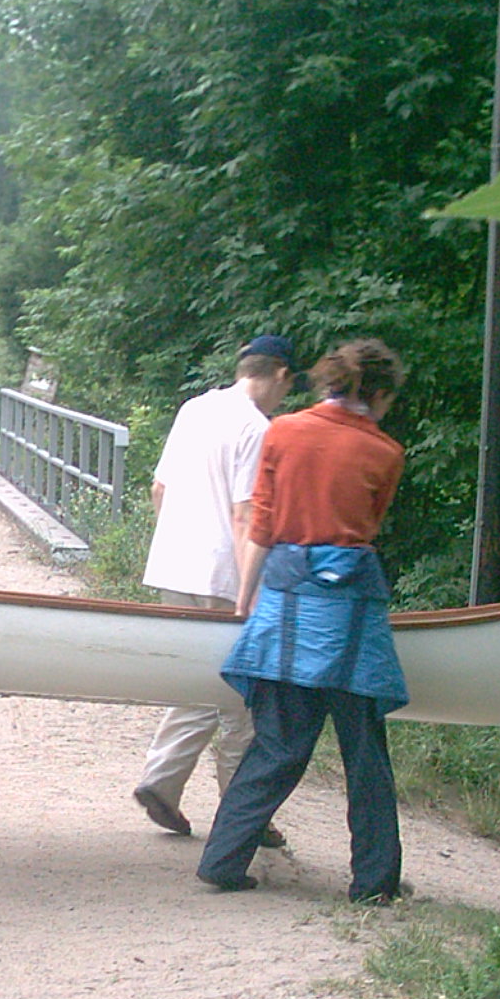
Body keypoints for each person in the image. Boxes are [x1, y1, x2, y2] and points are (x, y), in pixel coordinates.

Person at [195, 338, 410, 905]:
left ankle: (222, 859)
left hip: (286, 606)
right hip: (350, 616)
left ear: (329, 382)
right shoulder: (386, 452)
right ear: (380, 393)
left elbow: (260, 521)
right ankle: (374, 884)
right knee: (366, 756)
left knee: (277, 746)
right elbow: (370, 525)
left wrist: (246, 600)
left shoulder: (283, 431)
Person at [133, 335, 296, 843]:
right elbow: (245, 514)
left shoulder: (194, 409)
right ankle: (244, 809)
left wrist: (175, 546)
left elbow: (160, 488)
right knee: (241, 694)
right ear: (281, 376)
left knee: (193, 682)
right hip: (222, 575)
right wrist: (249, 591)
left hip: (173, 567)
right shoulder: (256, 428)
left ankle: (164, 782)